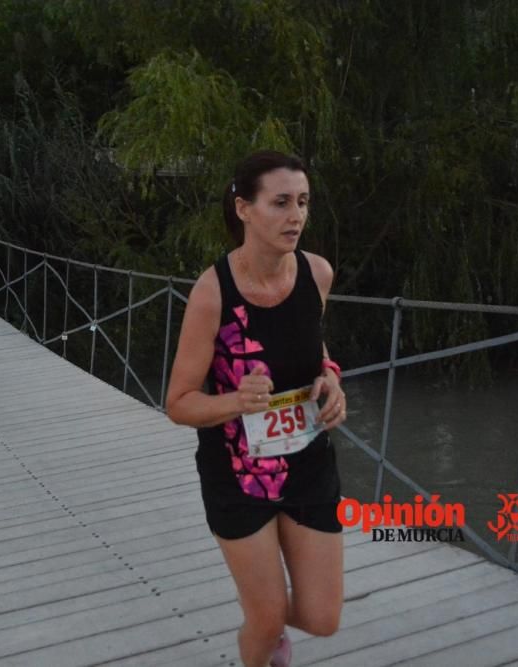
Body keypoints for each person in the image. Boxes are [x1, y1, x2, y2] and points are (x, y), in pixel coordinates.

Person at [165, 150, 347, 667]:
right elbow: (178, 403)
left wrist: (332, 382)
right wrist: (234, 402)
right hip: (238, 475)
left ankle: (272, 638)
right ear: (244, 208)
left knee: (323, 618)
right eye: (281, 203)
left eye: (304, 203)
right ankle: (262, 644)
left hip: (308, 463)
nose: (296, 216)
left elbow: (318, 355)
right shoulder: (212, 293)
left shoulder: (317, 274)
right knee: (265, 620)